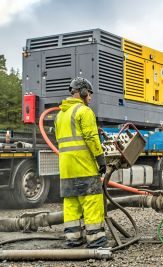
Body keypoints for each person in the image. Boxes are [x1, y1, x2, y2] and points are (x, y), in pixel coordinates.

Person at [54, 77, 107, 248]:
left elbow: (63, 139)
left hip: (66, 169)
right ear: (83, 92)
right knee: (92, 200)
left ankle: (73, 239)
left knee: (71, 203)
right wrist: (101, 160)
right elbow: (91, 139)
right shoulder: (84, 112)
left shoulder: (60, 115)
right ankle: (96, 240)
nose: (90, 98)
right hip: (84, 165)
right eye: (89, 94)